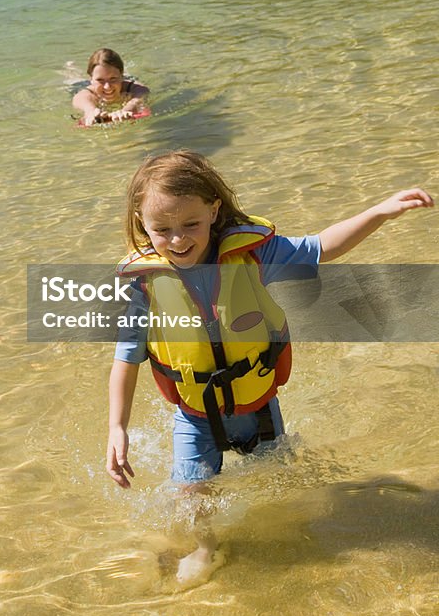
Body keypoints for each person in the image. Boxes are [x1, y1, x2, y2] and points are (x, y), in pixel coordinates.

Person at [105, 149, 433, 583]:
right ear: (142, 222)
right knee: (191, 495)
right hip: (196, 416)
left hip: (258, 406)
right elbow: (126, 360)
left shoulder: (253, 255)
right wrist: (117, 427)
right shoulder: (146, 287)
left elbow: (322, 247)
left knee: (283, 482)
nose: (179, 239)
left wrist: (379, 212)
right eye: (162, 230)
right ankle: (206, 549)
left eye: (191, 224)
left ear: (214, 209)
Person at [72, 48, 149, 126]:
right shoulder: (86, 94)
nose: (107, 87)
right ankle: (71, 68)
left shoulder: (135, 88)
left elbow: (140, 97)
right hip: (82, 84)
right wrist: (91, 112)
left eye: (113, 79)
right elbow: (81, 100)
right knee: (72, 78)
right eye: (100, 80)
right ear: (91, 79)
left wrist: (125, 110)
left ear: (121, 76)